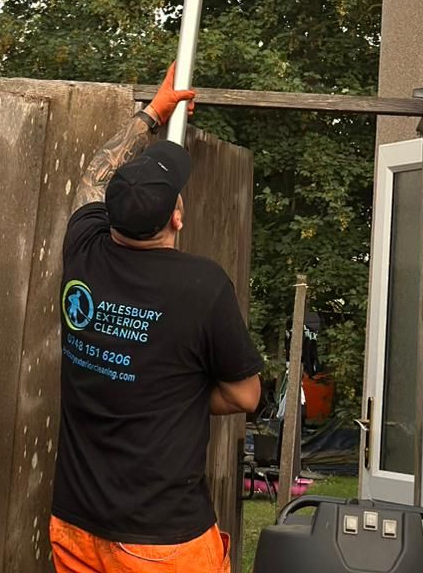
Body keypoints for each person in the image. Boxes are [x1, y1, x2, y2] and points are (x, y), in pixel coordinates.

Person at [50, 65, 263, 573]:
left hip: (76, 525)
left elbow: (91, 176)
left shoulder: (83, 248)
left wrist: (153, 112)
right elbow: (245, 395)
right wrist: (177, 393)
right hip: (162, 542)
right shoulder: (203, 287)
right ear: (177, 217)